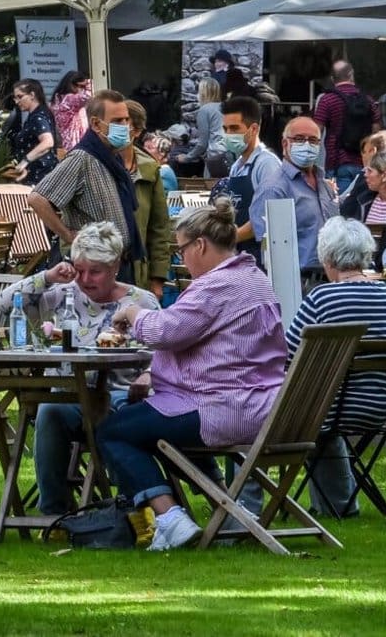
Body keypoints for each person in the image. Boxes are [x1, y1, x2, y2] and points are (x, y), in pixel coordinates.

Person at [97, 199, 286, 550]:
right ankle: (220, 507)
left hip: (224, 409)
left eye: (181, 249)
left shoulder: (217, 286)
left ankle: (170, 519)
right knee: (144, 419)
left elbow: (166, 331)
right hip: (264, 406)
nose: (180, 258)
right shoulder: (254, 278)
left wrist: (134, 313)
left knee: (114, 430)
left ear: (199, 245)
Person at [0, 222, 158, 516]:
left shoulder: (140, 302)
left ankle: (131, 509)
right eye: (79, 269)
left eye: (94, 271)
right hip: (69, 397)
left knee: (119, 412)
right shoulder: (62, 295)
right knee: (48, 411)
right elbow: (4, 303)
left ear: (115, 266)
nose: (85, 279)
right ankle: (55, 513)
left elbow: (164, 352)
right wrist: (47, 276)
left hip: (121, 395)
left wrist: (149, 374)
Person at [288, 217, 386, 518]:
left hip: (330, 409)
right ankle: (339, 505)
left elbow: (287, 353)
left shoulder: (322, 297)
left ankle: (332, 504)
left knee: (308, 415)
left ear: (327, 257)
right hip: (378, 406)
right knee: (324, 421)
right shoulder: (385, 297)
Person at [29, 90, 145, 278]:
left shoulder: (112, 158)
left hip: (119, 264)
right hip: (93, 268)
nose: (124, 126)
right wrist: (68, 236)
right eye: (117, 121)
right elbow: (37, 198)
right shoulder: (82, 158)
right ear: (96, 124)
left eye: (126, 120)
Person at [252, 115, 337, 285]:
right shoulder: (274, 188)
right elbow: (271, 250)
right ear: (285, 144)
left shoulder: (325, 185)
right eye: (299, 139)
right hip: (297, 283)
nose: (307, 145)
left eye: (313, 140)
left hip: (330, 280)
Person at [216, 95, 282, 261]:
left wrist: (227, 239)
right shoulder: (236, 166)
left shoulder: (266, 164)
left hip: (260, 256)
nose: (228, 134)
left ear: (253, 129)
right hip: (239, 253)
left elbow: (266, 217)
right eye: (225, 129)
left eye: (234, 128)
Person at [123, 100, 174, 296]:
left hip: (137, 272)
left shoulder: (150, 168)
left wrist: (158, 278)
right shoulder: (92, 161)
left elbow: (159, 227)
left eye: (123, 121)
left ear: (135, 131)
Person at [313, 60, 378, 188]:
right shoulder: (368, 100)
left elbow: (316, 131)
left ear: (332, 78)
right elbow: (377, 132)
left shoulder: (327, 100)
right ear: (351, 75)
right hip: (365, 163)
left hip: (336, 162)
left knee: (338, 204)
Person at [339, 150, 386, 266]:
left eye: (370, 171)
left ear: (384, 176)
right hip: (356, 265)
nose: (365, 174)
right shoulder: (360, 198)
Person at [4, 78, 58, 186]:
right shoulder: (37, 114)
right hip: (39, 174)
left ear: (32, 95)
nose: (16, 101)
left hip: (39, 177)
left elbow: (48, 142)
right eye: (15, 98)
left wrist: (25, 161)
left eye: (20, 97)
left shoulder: (38, 117)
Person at [49, 70, 92, 154]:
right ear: (71, 84)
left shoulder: (58, 99)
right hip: (77, 143)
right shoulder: (69, 99)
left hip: (67, 142)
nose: (82, 89)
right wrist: (89, 82)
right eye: (81, 86)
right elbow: (88, 95)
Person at [193, 76, 226, 179]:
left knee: (211, 189)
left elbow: (202, 144)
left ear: (203, 93)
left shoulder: (204, 110)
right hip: (230, 154)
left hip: (214, 156)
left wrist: (186, 157)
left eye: (198, 91)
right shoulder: (225, 106)